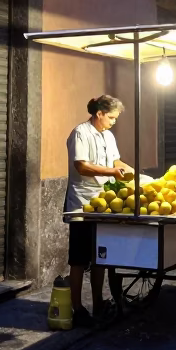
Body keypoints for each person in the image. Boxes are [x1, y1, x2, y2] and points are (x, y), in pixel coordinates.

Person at [64, 94, 133, 327]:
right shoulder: (80, 133)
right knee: (79, 259)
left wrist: (132, 172)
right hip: (82, 204)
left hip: (104, 202)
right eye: (111, 117)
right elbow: (81, 166)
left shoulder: (109, 136)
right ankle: (78, 308)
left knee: (101, 256)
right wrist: (113, 173)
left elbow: (116, 162)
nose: (114, 121)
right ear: (99, 113)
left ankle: (98, 302)